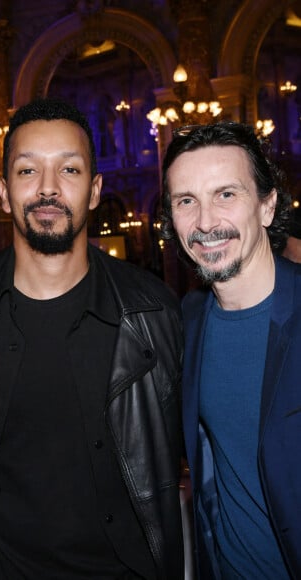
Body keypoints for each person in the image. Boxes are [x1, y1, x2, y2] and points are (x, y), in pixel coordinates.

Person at [0, 97, 185, 579]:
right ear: (2, 193)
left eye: (70, 170)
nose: (47, 189)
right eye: (26, 172)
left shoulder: (154, 312)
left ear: (96, 190)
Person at [161, 121, 301, 578]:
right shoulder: (188, 320)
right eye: (187, 201)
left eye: (226, 194)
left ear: (267, 206)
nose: (205, 222)